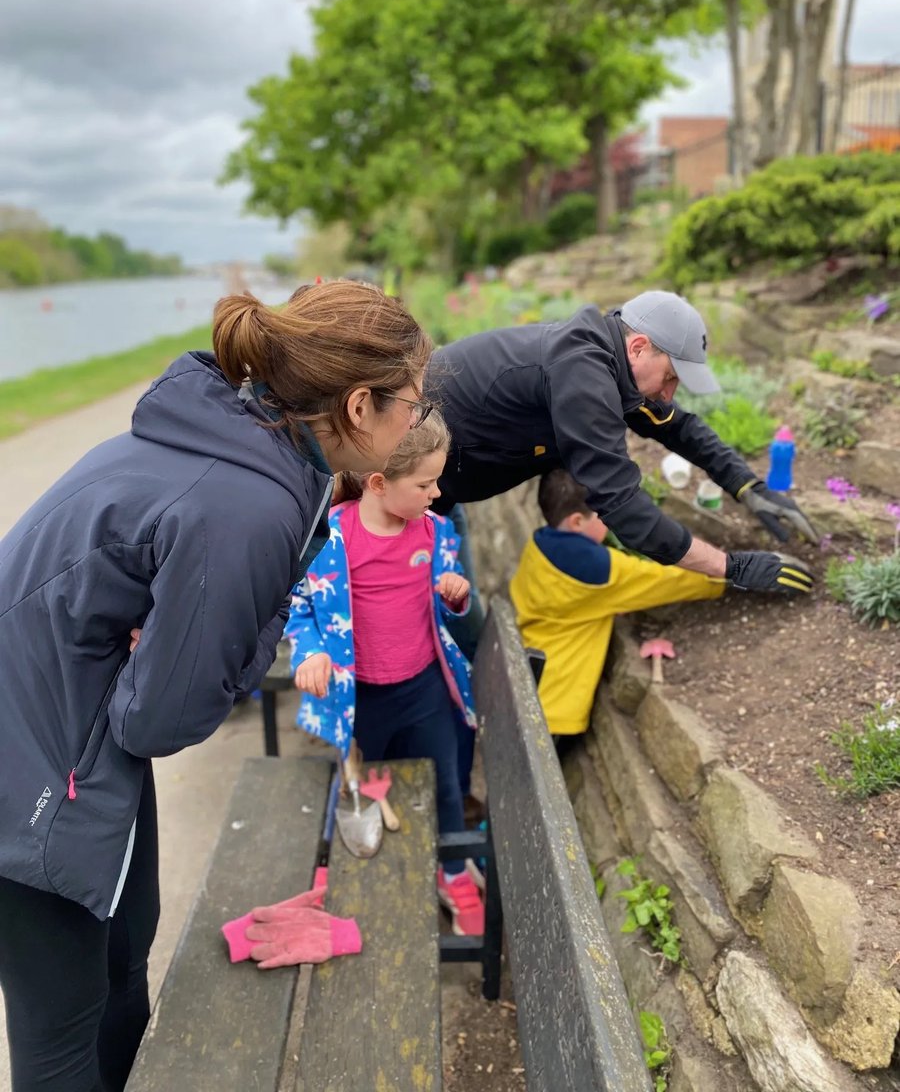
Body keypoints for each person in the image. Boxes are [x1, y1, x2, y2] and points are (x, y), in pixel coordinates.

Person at [0, 279, 431, 1092]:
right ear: (359, 405)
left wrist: (173, 648)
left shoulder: (250, 441)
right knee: (60, 1021)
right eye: (414, 402)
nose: (419, 420)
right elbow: (160, 720)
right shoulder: (248, 503)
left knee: (125, 956)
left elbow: (167, 677)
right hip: (33, 754)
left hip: (78, 728)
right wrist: (243, 626)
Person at [427, 289, 816, 597]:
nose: (669, 394)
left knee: (459, 613)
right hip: (407, 498)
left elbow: (678, 427)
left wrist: (748, 486)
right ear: (639, 347)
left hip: (440, 494)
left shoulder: (606, 359)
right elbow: (623, 507)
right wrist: (730, 568)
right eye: (671, 377)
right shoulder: (583, 377)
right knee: (442, 619)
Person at [287, 414, 484, 936]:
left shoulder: (435, 532)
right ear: (378, 482)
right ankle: (341, 870)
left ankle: (452, 872)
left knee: (445, 784)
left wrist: (456, 596)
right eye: (424, 484)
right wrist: (310, 653)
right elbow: (299, 605)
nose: (436, 494)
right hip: (361, 699)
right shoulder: (333, 536)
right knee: (355, 785)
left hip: (424, 690)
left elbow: (446, 607)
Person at [511, 469, 727, 744]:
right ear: (577, 521)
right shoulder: (597, 569)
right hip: (554, 713)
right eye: (603, 513)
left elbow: (580, 601)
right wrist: (728, 569)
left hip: (530, 690)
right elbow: (668, 581)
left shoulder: (540, 543)